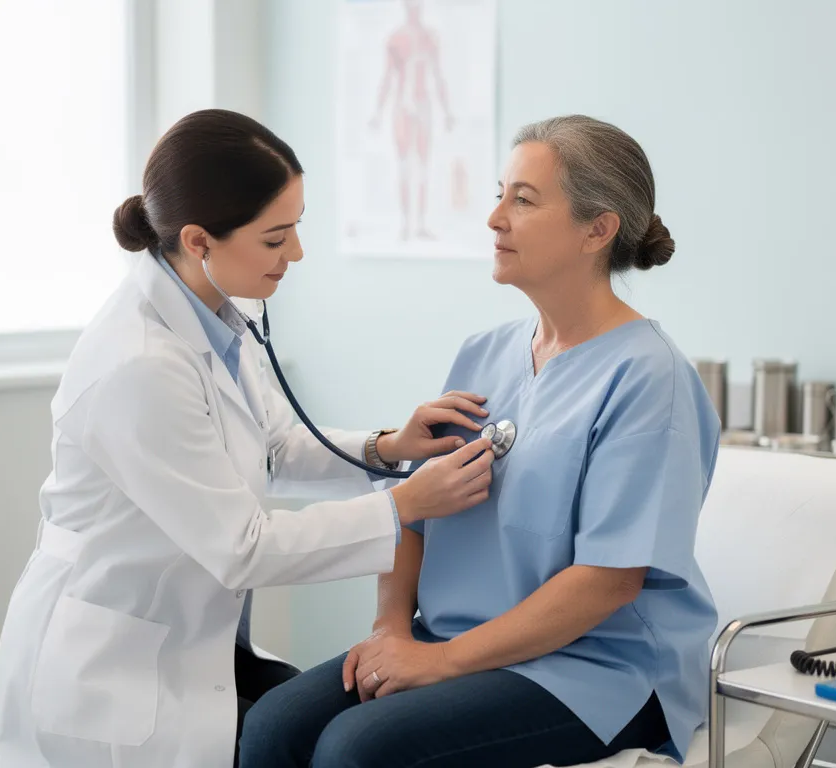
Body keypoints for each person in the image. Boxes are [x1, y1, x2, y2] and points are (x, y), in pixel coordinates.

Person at [0, 108, 496, 768]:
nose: (297, 254)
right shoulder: (140, 364)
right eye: (276, 237)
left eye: (297, 228)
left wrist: (387, 449)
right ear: (199, 240)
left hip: (198, 644)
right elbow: (243, 550)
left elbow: (272, 447)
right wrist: (404, 506)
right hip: (115, 675)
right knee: (320, 742)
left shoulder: (217, 312)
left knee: (320, 731)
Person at [239, 115, 722, 768]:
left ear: (597, 229)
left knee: (357, 751)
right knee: (271, 726)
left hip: (595, 669)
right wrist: (390, 630)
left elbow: (608, 582)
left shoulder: (648, 376)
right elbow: (410, 513)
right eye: (500, 194)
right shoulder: (484, 355)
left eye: (522, 200)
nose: (494, 218)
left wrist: (439, 662)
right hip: (449, 639)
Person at [368, 0, 454, 241]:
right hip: (403, 106)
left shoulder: (429, 37)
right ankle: (406, 224)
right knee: (405, 166)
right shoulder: (396, 39)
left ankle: (421, 224)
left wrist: (447, 111)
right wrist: (377, 112)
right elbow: (387, 77)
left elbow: (437, 75)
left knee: (423, 166)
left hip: (423, 103)